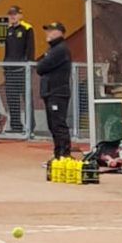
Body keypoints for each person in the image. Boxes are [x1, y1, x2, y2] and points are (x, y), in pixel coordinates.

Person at [36, 21, 72, 158]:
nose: (48, 33)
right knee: (53, 125)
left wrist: (42, 64)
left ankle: (64, 154)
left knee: (58, 125)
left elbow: (41, 67)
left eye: (51, 30)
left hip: (57, 92)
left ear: (59, 32)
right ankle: (58, 154)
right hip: (51, 92)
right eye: (47, 30)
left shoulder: (60, 49)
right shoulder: (53, 49)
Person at [3, 5, 34, 134]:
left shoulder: (27, 28)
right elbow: (7, 50)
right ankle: (16, 126)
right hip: (10, 70)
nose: (12, 17)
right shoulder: (9, 30)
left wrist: (27, 65)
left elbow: (30, 49)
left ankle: (30, 127)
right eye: (10, 14)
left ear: (20, 15)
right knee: (12, 99)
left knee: (27, 99)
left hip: (22, 70)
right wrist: (5, 65)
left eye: (15, 14)